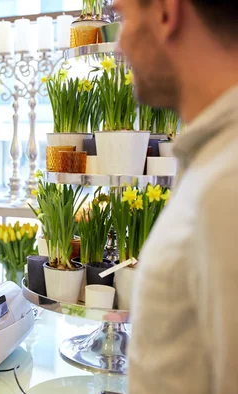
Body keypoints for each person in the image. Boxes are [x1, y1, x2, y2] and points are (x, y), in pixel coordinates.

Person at [114, 0, 238, 393]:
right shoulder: (211, 162)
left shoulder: (227, 186)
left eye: (125, 17)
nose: (119, 45)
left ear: (167, 13)